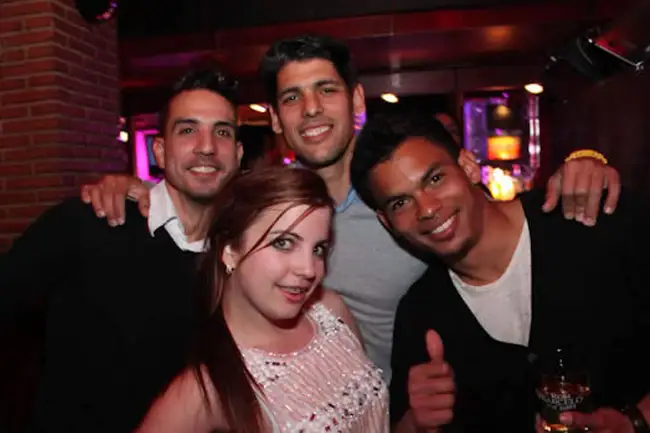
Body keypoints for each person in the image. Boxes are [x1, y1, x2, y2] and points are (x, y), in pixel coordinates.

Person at [80, 35, 621, 382]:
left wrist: (586, 161)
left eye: (326, 90)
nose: (311, 109)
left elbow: (488, 226)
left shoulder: (404, 201)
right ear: (275, 119)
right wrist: (132, 187)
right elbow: (193, 200)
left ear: (357, 101)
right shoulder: (262, 209)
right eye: (292, 98)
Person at [348, 110, 650, 433]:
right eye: (400, 203)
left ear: (468, 166)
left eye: (435, 179)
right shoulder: (421, 316)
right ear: (387, 222)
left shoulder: (588, 220)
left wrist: (636, 422)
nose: (428, 209)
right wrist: (415, 423)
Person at [0, 67, 243, 432]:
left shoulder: (244, 256)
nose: (206, 146)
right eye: (187, 130)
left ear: (238, 154)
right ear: (160, 151)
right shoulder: (88, 222)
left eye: (222, 132)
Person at [136, 166, 389, 433]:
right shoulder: (206, 390)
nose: (309, 269)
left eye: (318, 249)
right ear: (230, 250)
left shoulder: (330, 310)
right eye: (284, 243)